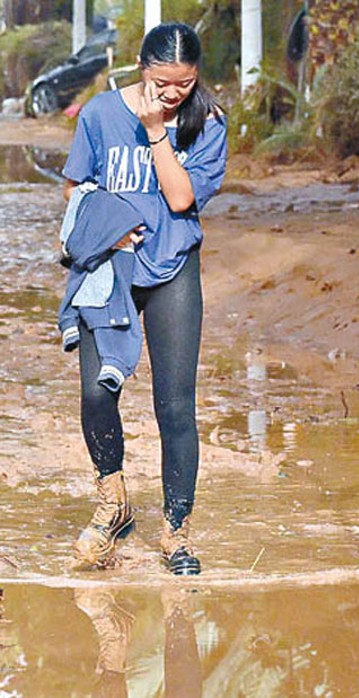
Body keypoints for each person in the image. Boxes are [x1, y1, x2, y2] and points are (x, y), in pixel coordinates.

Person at [61, 22, 227, 575]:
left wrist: (158, 128)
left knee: (175, 406)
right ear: (139, 65)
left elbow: (180, 199)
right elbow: (74, 186)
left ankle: (176, 532)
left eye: (184, 82)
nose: (173, 91)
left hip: (172, 267)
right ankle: (114, 503)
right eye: (162, 81)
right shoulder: (99, 115)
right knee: (94, 392)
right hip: (107, 267)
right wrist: (106, 225)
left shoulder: (207, 124)